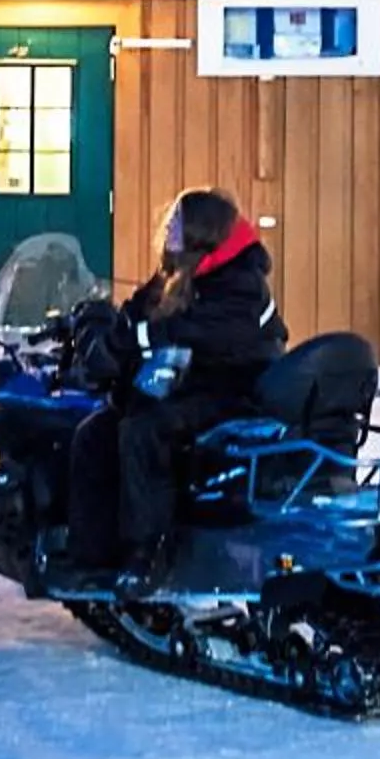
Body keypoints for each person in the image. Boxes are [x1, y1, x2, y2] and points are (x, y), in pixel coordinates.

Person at [110, 188, 289, 591]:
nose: (169, 238)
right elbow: (147, 303)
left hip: (237, 392)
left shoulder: (240, 282)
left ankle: (149, 552)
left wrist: (137, 336)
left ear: (200, 236)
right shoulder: (193, 273)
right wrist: (109, 320)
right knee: (121, 413)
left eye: (177, 230)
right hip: (200, 381)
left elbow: (190, 329)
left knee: (144, 430)